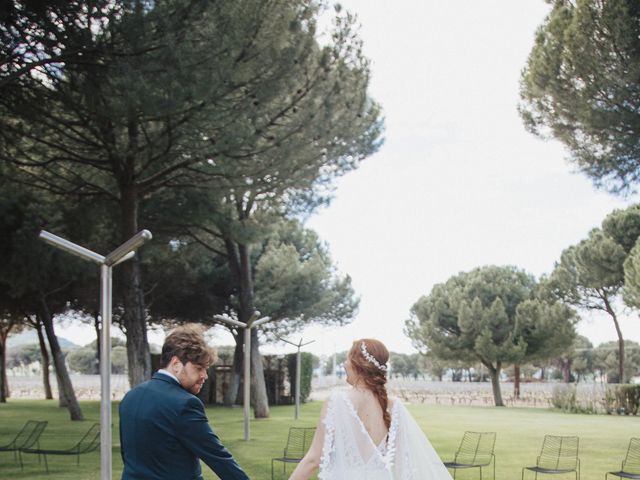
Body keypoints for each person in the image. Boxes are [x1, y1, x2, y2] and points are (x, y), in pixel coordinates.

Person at [289, 338, 453, 480]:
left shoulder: (337, 400)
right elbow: (405, 462)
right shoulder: (394, 406)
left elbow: (313, 459)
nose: (344, 364)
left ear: (357, 364)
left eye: (347, 359)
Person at [119, 325, 249, 480]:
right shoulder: (185, 404)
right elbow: (218, 458)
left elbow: (129, 456)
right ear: (176, 364)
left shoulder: (131, 396)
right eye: (199, 368)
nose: (204, 376)